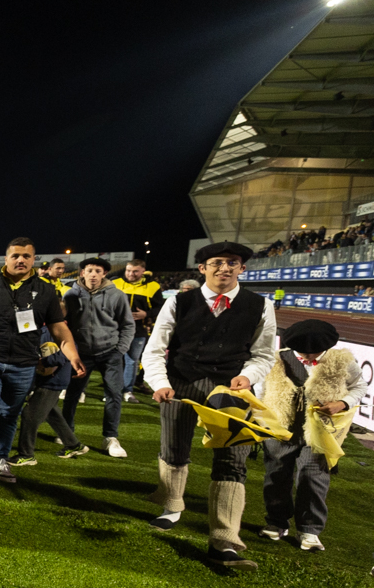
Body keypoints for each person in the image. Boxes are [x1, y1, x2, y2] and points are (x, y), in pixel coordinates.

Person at [142, 241, 276, 569]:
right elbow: (155, 349)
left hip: (231, 389)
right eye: (216, 262)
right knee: (173, 449)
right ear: (202, 268)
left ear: (242, 268)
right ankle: (172, 506)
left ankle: (224, 539)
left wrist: (248, 376)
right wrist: (160, 383)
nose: (224, 268)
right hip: (182, 383)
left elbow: (263, 354)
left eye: (232, 263)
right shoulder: (179, 302)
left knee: (233, 460)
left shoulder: (261, 305)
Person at [0, 238, 84, 486]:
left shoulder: (46, 290)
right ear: (6, 259)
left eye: (26, 256)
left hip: (24, 365)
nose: (20, 260)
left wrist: (72, 355)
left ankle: (1, 458)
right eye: (15, 256)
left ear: (33, 259)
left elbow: (58, 328)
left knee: (9, 415)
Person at [258, 320, 366, 553]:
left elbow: (360, 387)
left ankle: (309, 529)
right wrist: (259, 419)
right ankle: (276, 522)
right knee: (276, 475)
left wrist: (342, 403)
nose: (307, 358)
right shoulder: (277, 359)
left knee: (312, 477)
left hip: (320, 430)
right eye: (301, 354)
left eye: (313, 353)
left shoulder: (343, 361)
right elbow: (261, 390)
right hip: (280, 427)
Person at [60, 257, 134, 458]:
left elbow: (128, 324)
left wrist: (120, 349)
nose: (93, 274)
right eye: (89, 270)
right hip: (81, 353)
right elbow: (63, 324)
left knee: (114, 395)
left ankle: (110, 437)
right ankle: (67, 433)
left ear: (104, 274)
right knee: (72, 394)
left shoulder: (117, 295)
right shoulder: (71, 295)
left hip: (110, 352)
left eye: (98, 271)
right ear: (82, 272)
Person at [9, 336, 88, 466]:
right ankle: (74, 445)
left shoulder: (61, 332)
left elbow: (65, 354)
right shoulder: (41, 329)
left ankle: (26, 454)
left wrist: (43, 362)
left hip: (52, 382)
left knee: (29, 415)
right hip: (46, 380)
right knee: (52, 413)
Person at [113, 259, 162, 402]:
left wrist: (146, 314)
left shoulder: (153, 286)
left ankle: (128, 391)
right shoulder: (115, 283)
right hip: (115, 330)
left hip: (138, 330)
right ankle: (113, 390)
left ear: (143, 271)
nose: (131, 274)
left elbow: (161, 308)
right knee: (114, 360)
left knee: (132, 361)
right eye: (128, 270)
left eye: (135, 271)